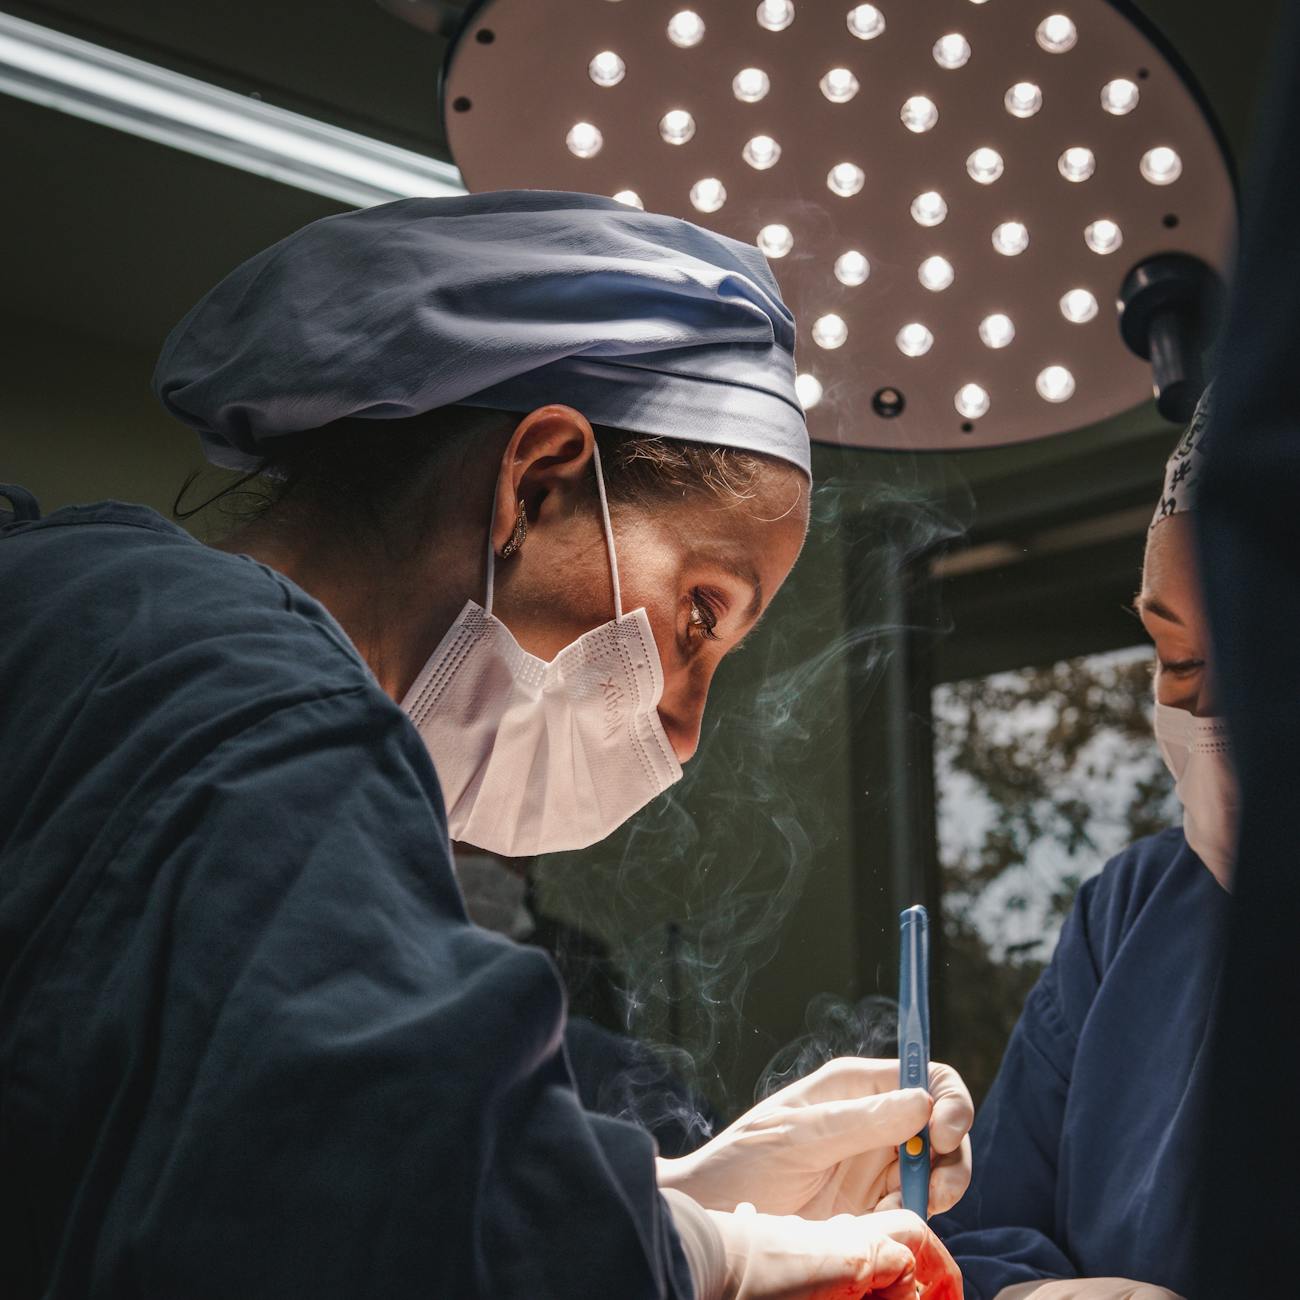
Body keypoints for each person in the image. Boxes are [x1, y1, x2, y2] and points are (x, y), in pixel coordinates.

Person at [0, 191, 970, 1300]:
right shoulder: (257, 712)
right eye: (700, 615)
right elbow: (362, 1228)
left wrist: (672, 1192)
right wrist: (697, 1253)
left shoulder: (92, 621)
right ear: (539, 481)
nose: (687, 732)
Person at [934, 391, 1231, 1300]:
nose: (1196, 714)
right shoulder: (1131, 917)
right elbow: (988, 1235)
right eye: (1174, 660)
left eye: (1262, 649)